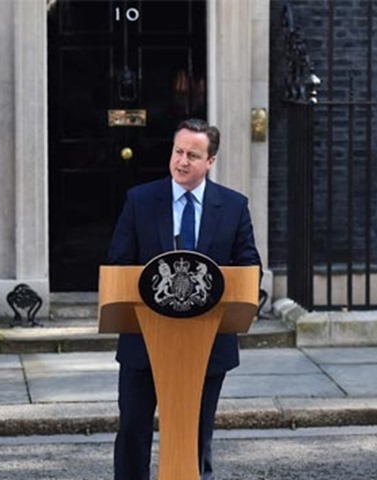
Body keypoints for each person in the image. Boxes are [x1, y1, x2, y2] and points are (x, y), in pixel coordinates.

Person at [108, 118, 261, 480]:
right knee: (133, 430)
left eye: (193, 155)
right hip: (144, 340)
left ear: (210, 161)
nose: (182, 161)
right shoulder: (141, 200)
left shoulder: (234, 206)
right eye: (178, 151)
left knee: (196, 435)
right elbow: (118, 263)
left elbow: (250, 267)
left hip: (207, 343)